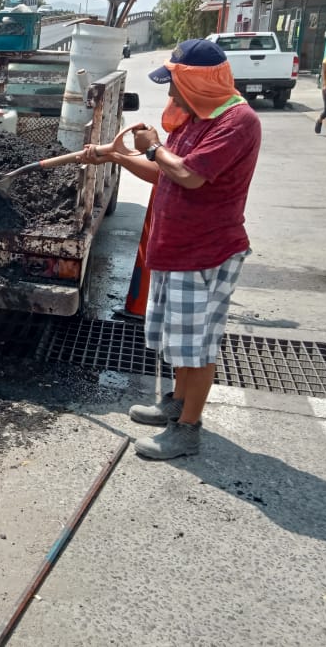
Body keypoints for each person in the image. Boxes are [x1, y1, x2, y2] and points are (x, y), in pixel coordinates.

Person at [82, 38, 261, 459]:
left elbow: (191, 176)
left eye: (176, 85)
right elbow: (164, 174)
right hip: (176, 247)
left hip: (205, 251)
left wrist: (152, 146)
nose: (171, 94)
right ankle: (177, 403)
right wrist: (119, 157)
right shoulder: (199, 118)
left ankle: (188, 428)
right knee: (178, 340)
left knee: (197, 345)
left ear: (198, 83)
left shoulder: (237, 122)